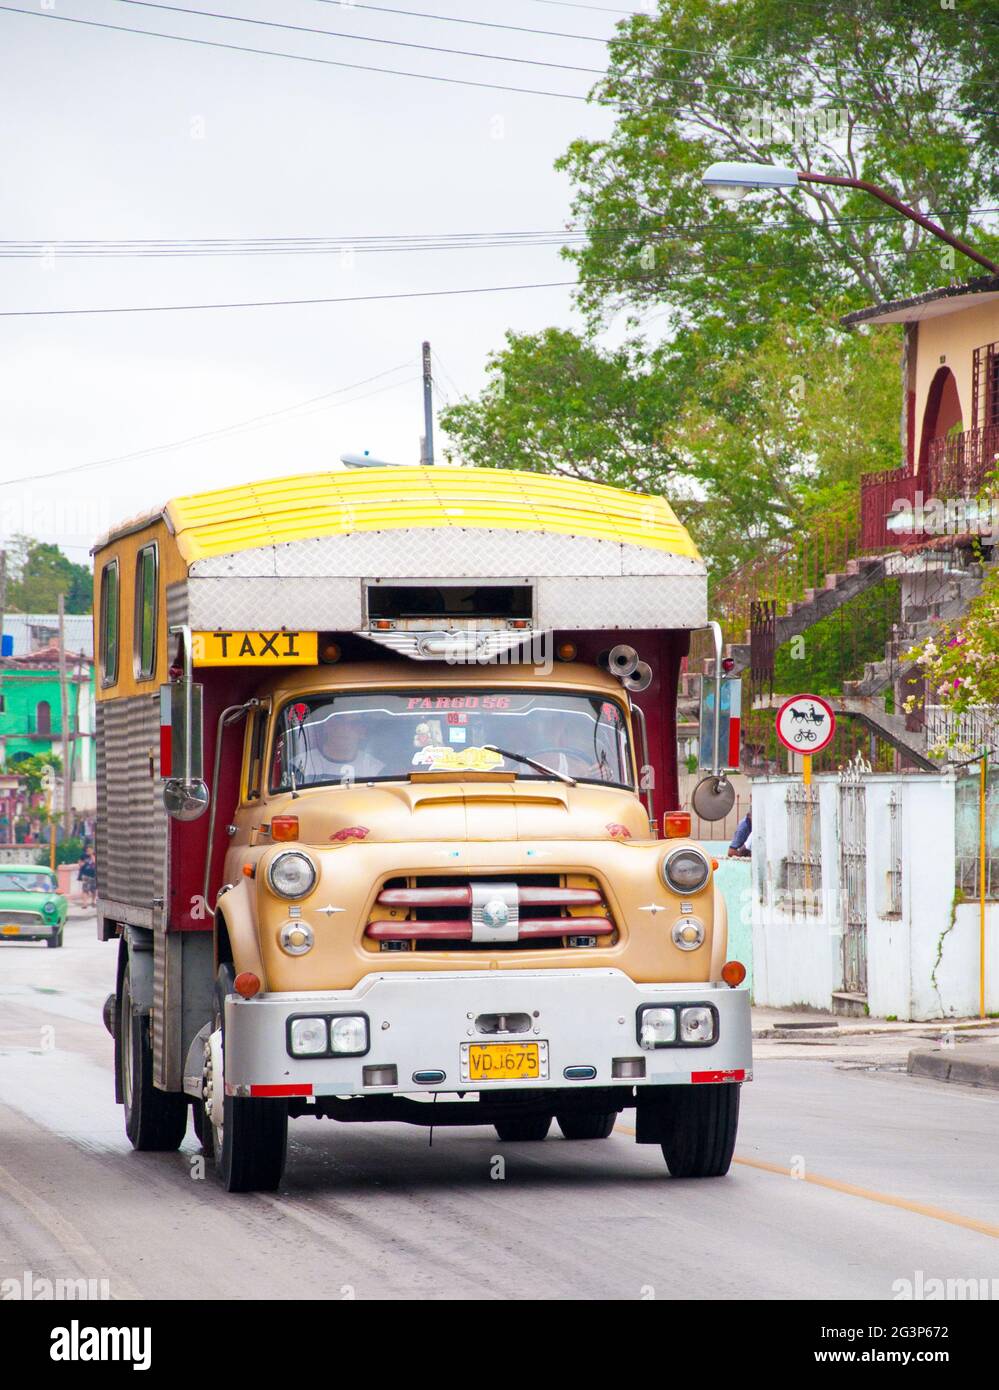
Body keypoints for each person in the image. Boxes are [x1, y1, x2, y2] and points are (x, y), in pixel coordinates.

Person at [299, 710, 385, 784]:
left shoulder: (376, 770)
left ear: (363, 732)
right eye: (339, 722)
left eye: (354, 724)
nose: (345, 729)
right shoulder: (301, 765)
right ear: (327, 726)